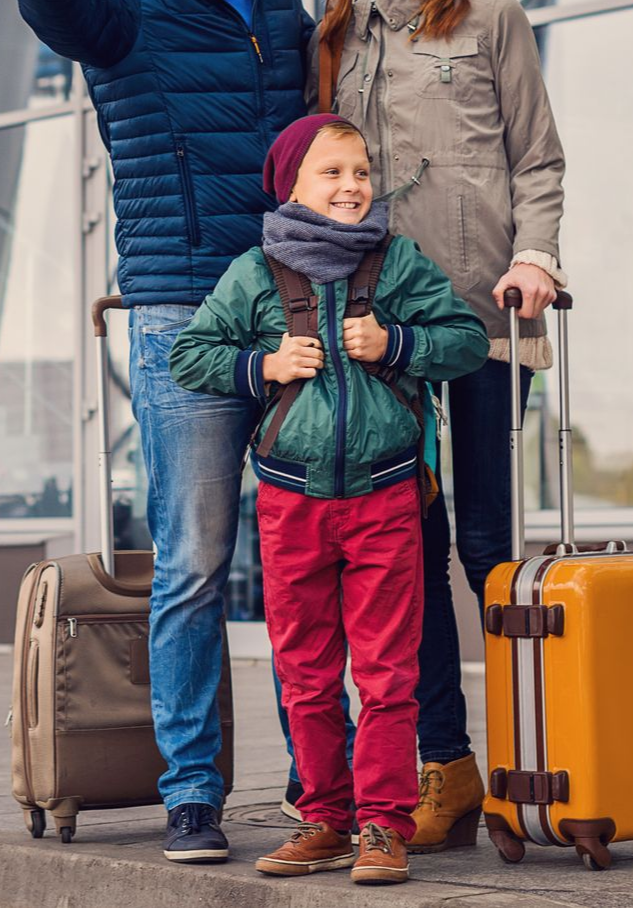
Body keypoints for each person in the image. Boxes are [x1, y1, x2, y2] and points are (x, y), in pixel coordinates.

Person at [9, 0, 313, 863]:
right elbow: (66, 21)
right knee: (191, 559)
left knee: (297, 556)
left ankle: (318, 785)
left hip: (290, 303)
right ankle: (190, 791)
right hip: (182, 309)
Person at [313, 0, 568, 851]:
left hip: (482, 325)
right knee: (402, 555)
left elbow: (536, 159)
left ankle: (521, 760)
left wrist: (537, 257)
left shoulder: (489, 14)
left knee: (487, 546)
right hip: (380, 332)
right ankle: (446, 767)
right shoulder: (335, 33)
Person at [168, 114, 488, 884]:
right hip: (291, 505)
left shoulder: (398, 262)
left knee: (386, 674)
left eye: (360, 172)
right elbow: (190, 353)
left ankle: (383, 826)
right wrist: (266, 364)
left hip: (384, 501)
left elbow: (466, 340)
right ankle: (323, 819)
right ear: (289, 187)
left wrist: (397, 345)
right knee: (304, 671)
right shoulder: (254, 272)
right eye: (331, 173)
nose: (351, 187)